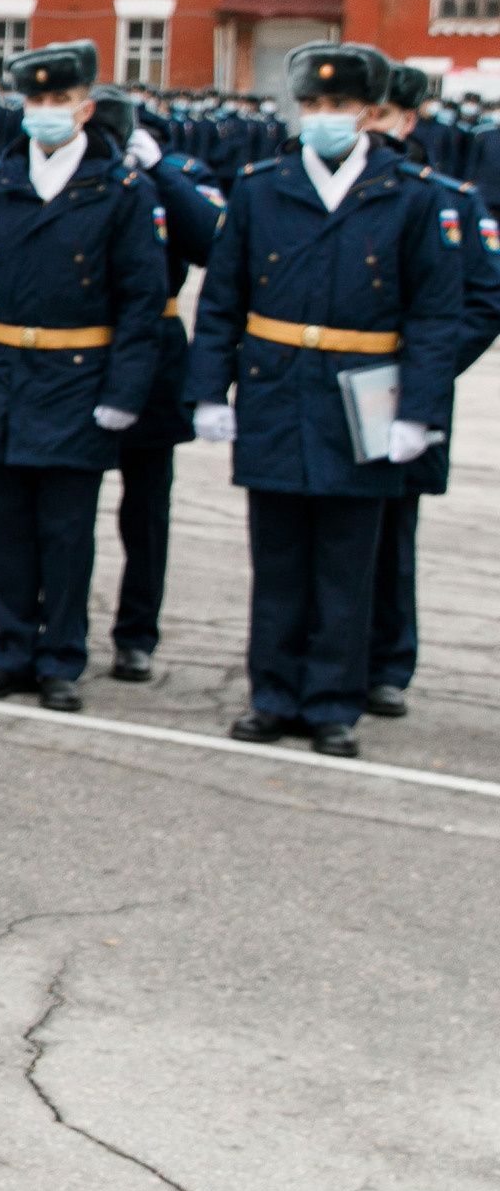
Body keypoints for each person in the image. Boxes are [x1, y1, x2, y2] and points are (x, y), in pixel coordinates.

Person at [186, 43, 462, 757]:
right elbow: (221, 301)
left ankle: (333, 703)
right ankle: (273, 695)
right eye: (312, 105)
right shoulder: (260, 187)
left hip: (362, 399)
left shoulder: (412, 193)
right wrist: (209, 391)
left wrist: (418, 413)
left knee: (346, 566)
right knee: (277, 560)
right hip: (277, 391)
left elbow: (435, 317)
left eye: (338, 107)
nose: (324, 118)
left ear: (370, 113)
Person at [0, 42, 163, 713]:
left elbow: (140, 301)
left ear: (87, 109)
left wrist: (125, 391)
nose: (46, 113)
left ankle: (61, 655)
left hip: (78, 377)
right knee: (5, 526)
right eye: (35, 101)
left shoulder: (122, 190)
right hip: (3, 371)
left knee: (66, 531)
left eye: (59, 101)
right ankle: (10, 649)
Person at [363, 64, 500, 716]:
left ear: (407, 120)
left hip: (404, 393)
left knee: (391, 534)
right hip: (326, 387)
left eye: (382, 115)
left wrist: (427, 369)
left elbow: (483, 300)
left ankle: (387, 660)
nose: (369, 127)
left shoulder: (448, 199)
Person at [99, 85, 223, 685]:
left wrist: (160, 170)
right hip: (78, 353)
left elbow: (210, 241)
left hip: (155, 351)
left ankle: (136, 634)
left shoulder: (176, 169)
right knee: (58, 504)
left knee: (146, 512)